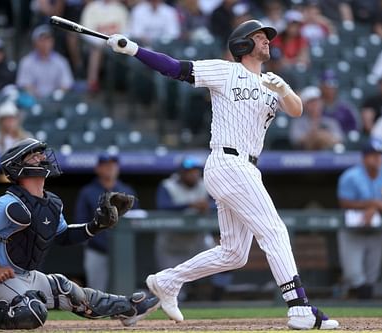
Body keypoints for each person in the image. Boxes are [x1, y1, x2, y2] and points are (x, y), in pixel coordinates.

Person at [105, 19, 340, 329]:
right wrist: (135, 50)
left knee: (234, 254)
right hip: (228, 161)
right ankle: (299, 308)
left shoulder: (272, 82)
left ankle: (168, 280)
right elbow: (175, 68)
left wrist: (283, 88)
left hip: (246, 167)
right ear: (243, 44)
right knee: (274, 231)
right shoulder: (226, 70)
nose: (267, 41)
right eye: (259, 37)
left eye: (266, 37)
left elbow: (296, 110)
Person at [0, 138, 159, 330]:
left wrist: (96, 225)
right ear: (19, 167)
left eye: (41, 153)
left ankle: (129, 308)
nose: (42, 157)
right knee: (32, 312)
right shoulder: (9, 203)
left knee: (68, 289)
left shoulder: (51, 202)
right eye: (34, 155)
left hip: (24, 275)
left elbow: (63, 236)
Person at [155, 157, 229, 301]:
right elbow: (163, 206)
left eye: (195, 171)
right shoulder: (168, 185)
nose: (193, 175)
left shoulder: (205, 185)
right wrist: (190, 205)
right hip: (172, 246)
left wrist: (208, 206)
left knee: (226, 262)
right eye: (188, 172)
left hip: (197, 242)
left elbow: (220, 203)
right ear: (181, 173)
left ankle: (216, 300)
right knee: (173, 291)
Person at [337, 141, 382, 299]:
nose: (378, 158)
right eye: (374, 155)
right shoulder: (351, 175)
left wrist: (374, 208)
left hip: (376, 229)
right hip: (353, 229)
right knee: (353, 274)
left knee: (371, 276)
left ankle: (365, 316)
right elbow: (344, 202)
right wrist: (372, 204)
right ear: (365, 157)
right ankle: (351, 304)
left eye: (380, 155)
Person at [75, 152, 137, 291]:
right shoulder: (88, 191)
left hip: (123, 250)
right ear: (98, 168)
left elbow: (136, 221)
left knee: (123, 291)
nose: (110, 168)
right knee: (96, 292)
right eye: (105, 165)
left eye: (113, 165)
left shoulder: (126, 191)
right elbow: (80, 221)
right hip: (96, 249)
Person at [16, 25, 74, 99]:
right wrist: (39, 97)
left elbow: (66, 85)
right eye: (41, 40)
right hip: (33, 102)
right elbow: (24, 85)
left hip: (55, 103)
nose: (45, 43)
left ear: (52, 42)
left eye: (48, 39)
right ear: (34, 43)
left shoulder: (61, 61)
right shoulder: (26, 62)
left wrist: (54, 96)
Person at [289, 86, 344, 150]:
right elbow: (296, 139)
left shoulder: (331, 122)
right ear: (305, 105)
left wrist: (322, 136)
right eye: (311, 102)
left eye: (318, 101)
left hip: (328, 155)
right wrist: (314, 136)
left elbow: (339, 139)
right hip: (305, 156)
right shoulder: (298, 122)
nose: (315, 105)